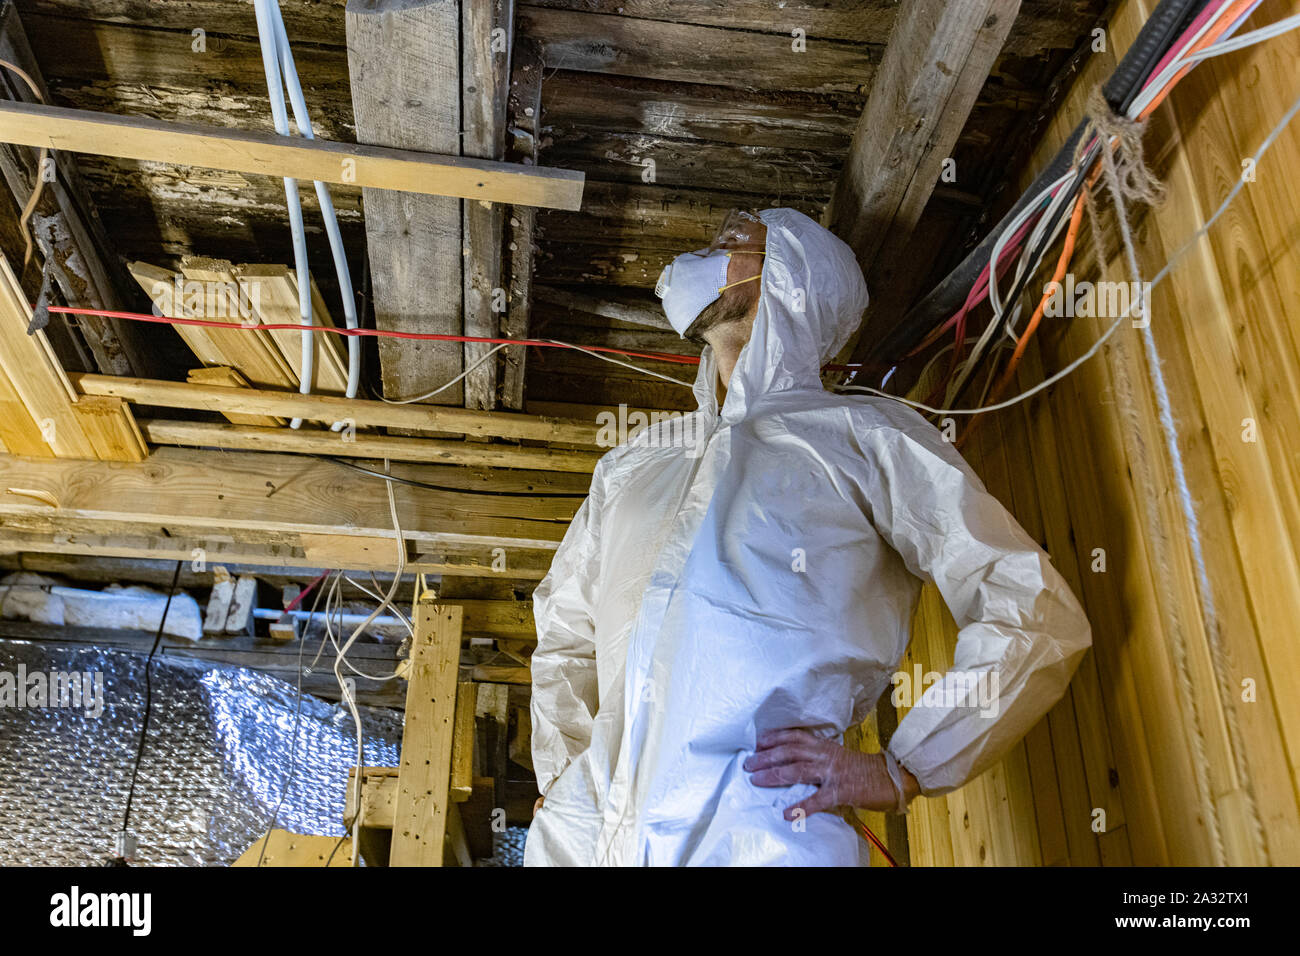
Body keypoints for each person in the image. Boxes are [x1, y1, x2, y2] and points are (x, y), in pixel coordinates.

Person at [525, 207, 1091, 866]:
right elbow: (565, 633)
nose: (709, 253)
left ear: (798, 278)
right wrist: (562, 779)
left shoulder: (867, 438)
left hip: (762, 834)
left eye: (734, 243)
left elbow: (1029, 604)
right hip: (581, 841)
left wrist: (905, 769)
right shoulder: (631, 466)